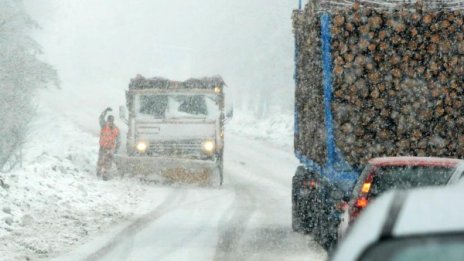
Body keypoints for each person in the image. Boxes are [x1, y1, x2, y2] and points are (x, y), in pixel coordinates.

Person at [96, 107, 120, 180]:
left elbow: (119, 139)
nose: (110, 121)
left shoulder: (116, 129)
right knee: (101, 160)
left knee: (108, 162)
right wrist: (105, 111)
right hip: (103, 147)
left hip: (110, 148)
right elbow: (101, 118)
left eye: (111, 120)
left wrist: (116, 148)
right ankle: (98, 173)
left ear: (113, 121)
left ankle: (105, 175)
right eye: (109, 120)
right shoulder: (104, 125)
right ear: (107, 120)